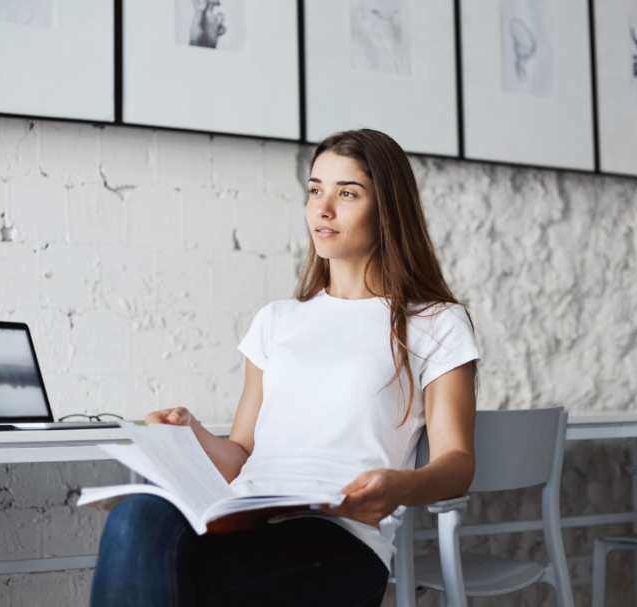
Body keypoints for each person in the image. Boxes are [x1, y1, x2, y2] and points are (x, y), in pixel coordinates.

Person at [90, 129, 482, 607]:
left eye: (347, 193)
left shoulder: (434, 322)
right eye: (315, 190)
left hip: (339, 540)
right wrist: (188, 436)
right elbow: (241, 453)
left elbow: (456, 462)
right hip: (246, 519)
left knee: (168, 583)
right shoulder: (276, 320)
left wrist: (401, 486)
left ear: (388, 209)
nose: (323, 208)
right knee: (136, 517)